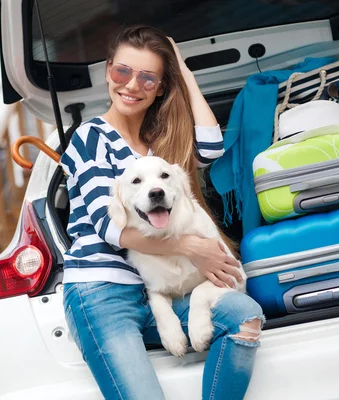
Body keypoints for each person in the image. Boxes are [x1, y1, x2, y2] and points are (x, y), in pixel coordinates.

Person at [60, 25, 264, 400]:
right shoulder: (89, 136)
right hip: (102, 293)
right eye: (123, 72)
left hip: (157, 289)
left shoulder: (156, 148)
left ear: (160, 87)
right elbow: (111, 230)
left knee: (244, 316)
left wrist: (183, 72)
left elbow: (211, 147)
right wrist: (191, 247)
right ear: (108, 71)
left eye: (148, 77)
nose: (132, 85)